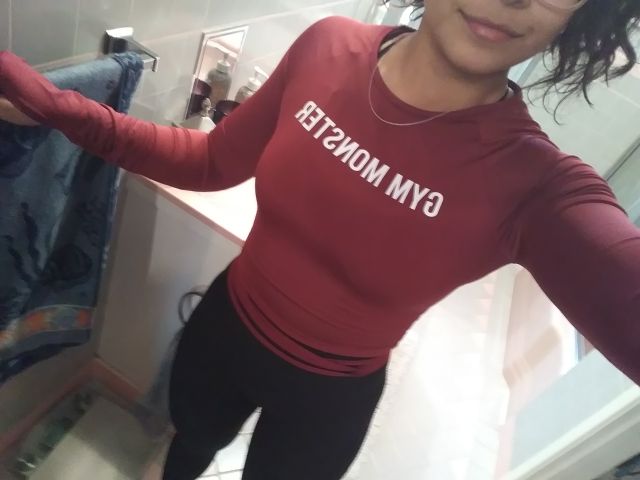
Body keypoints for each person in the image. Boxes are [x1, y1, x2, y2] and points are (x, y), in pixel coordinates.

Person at [1, 0, 640, 478]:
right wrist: (64, 110)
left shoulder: (537, 185)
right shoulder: (328, 45)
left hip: (327, 401)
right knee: (184, 449)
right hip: (224, 330)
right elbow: (210, 161)